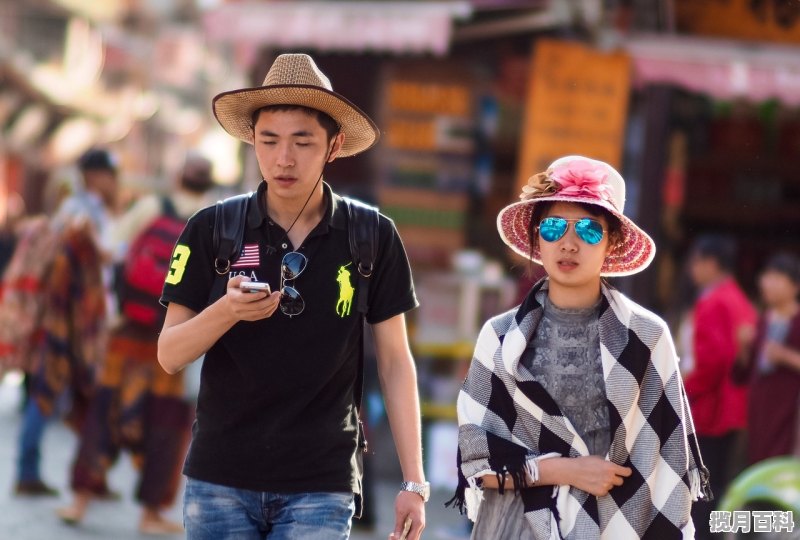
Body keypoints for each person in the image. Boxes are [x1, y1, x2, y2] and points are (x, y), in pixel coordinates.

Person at [157, 53, 427, 540]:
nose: (284, 158)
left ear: (334, 145)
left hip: (321, 484)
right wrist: (227, 310)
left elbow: (395, 362)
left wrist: (414, 481)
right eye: (269, 141)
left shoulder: (372, 235)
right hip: (220, 478)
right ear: (251, 144)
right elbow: (170, 354)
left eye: (303, 142)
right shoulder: (211, 229)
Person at [450, 156, 711, 539]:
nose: (569, 244)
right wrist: (566, 471)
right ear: (538, 237)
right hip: (520, 528)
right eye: (554, 227)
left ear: (612, 243)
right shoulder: (501, 337)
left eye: (589, 230)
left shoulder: (646, 337)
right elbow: (476, 460)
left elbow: (668, 457)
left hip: (620, 526)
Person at [56, 153, 217, 535]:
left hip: (129, 329)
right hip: (176, 338)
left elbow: (112, 248)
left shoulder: (151, 206)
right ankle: (150, 514)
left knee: (105, 410)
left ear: (178, 177)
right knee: (166, 425)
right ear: (209, 182)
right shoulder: (217, 217)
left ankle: (80, 501)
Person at [13, 148, 118, 497]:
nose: (113, 181)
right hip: (71, 321)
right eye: (108, 174)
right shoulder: (81, 212)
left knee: (77, 395)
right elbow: (86, 261)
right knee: (51, 392)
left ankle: (89, 477)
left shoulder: (80, 209)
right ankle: (32, 473)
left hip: (73, 319)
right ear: (94, 175)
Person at [684, 234, 756, 540]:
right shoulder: (738, 297)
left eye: (696, 261)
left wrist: (683, 390)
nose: (692, 269)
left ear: (710, 263)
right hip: (732, 407)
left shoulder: (713, 300)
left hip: (711, 409)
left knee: (703, 489)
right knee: (719, 483)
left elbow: (714, 361)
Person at [738, 252, 800, 465]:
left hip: (790, 411)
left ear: (795, 286)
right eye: (767, 277)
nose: (768, 284)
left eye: (777, 278)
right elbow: (742, 375)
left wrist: (786, 356)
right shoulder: (762, 321)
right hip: (761, 410)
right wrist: (745, 348)